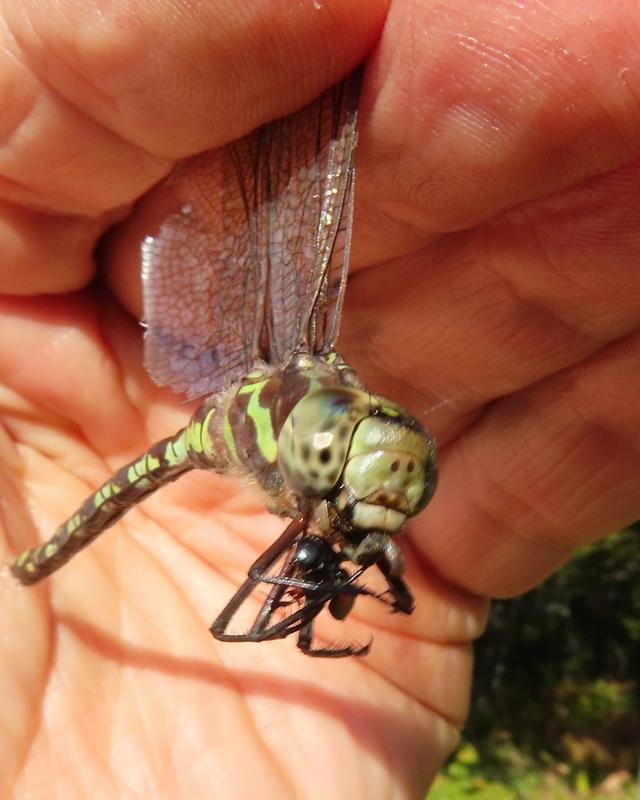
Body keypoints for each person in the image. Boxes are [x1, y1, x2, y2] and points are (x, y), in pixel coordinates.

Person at [1, 1, 638, 797]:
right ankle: (28, 567)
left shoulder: (328, 462)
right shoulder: (292, 411)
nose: (365, 511)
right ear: (307, 457)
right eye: (341, 469)